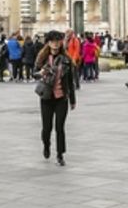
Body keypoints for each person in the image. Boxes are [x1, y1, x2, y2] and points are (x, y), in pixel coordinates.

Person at [34, 30, 76, 166]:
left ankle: (60, 154)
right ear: (48, 43)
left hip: (61, 97)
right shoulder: (42, 57)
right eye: (53, 41)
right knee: (47, 128)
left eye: (58, 41)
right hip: (46, 97)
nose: (55, 44)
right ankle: (46, 145)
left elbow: (70, 81)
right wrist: (40, 73)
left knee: (60, 127)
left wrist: (73, 100)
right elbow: (34, 74)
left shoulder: (66, 59)